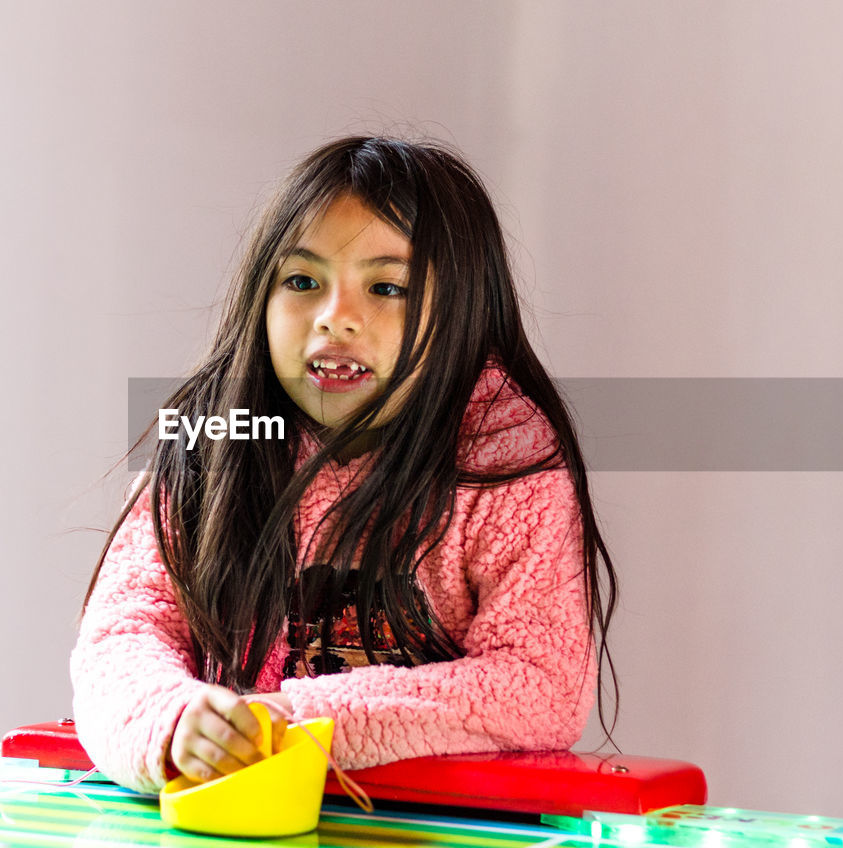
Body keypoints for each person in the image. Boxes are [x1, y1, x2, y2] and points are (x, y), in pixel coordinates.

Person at [71, 136, 617, 794]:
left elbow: (539, 682)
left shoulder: (505, 460)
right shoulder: (214, 437)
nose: (336, 318)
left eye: (386, 287)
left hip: (443, 831)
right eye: (303, 281)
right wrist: (170, 720)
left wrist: (298, 722)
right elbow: (124, 630)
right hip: (243, 822)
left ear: (465, 318)